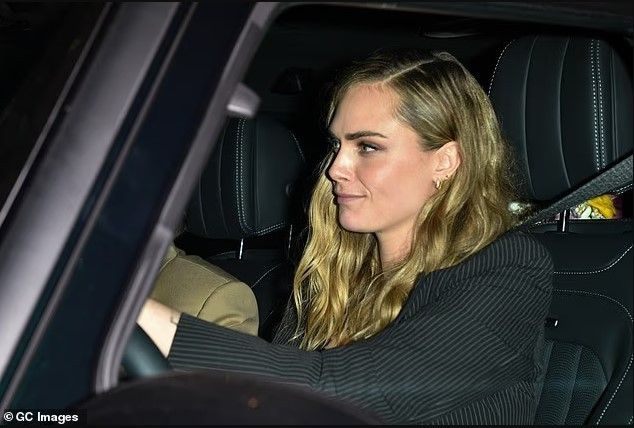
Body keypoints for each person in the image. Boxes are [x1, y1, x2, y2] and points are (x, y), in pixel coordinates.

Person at [137, 49, 553, 425]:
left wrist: (135, 317)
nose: (336, 168)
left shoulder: (508, 268)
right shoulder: (335, 269)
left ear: (445, 161)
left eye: (367, 147)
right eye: (337, 145)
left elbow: (345, 396)